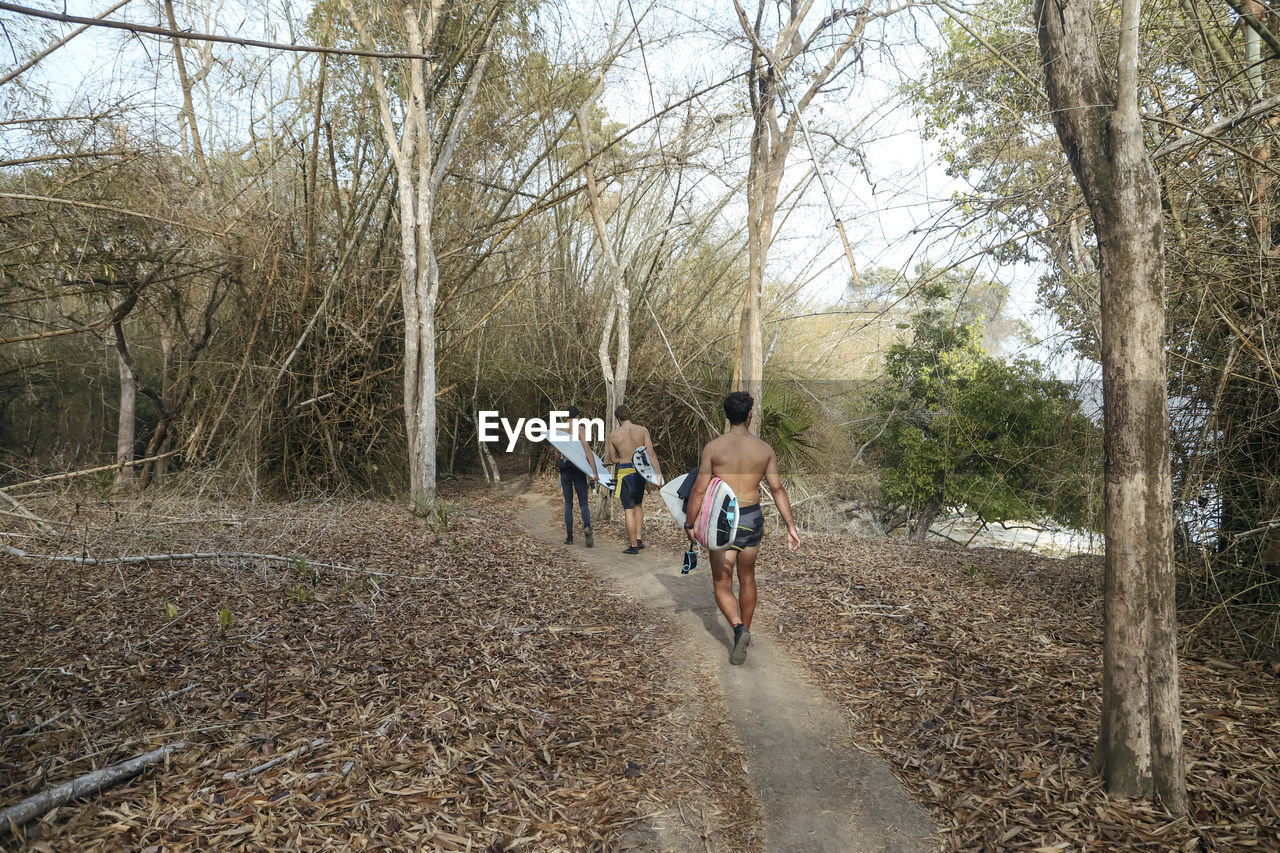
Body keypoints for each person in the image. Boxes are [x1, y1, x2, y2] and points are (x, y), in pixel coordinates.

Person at [685, 391, 800, 665]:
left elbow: (699, 492)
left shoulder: (713, 448)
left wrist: (691, 523)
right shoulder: (764, 450)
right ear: (750, 415)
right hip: (751, 518)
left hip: (724, 521)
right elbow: (777, 489)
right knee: (747, 577)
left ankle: (738, 630)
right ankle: (745, 631)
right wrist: (791, 526)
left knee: (722, 582)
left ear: (727, 416)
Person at [607, 404, 663, 555]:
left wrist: (622, 458)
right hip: (640, 472)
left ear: (618, 418)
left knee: (628, 509)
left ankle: (633, 546)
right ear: (630, 415)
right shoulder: (642, 430)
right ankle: (638, 539)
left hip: (625, 472)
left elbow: (612, 459)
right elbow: (650, 453)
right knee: (638, 505)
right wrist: (658, 474)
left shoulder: (614, 435)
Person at [555, 405, 598, 547]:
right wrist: (594, 472)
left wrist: (558, 464)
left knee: (568, 503)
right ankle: (586, 526)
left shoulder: (559, 429)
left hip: (565, 466)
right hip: (578, 466)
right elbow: (587, 451)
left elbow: (556, 453)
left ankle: (570, 537)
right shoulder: (580, 429)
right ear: (578, 416)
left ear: (566, 416)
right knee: (584, 503)